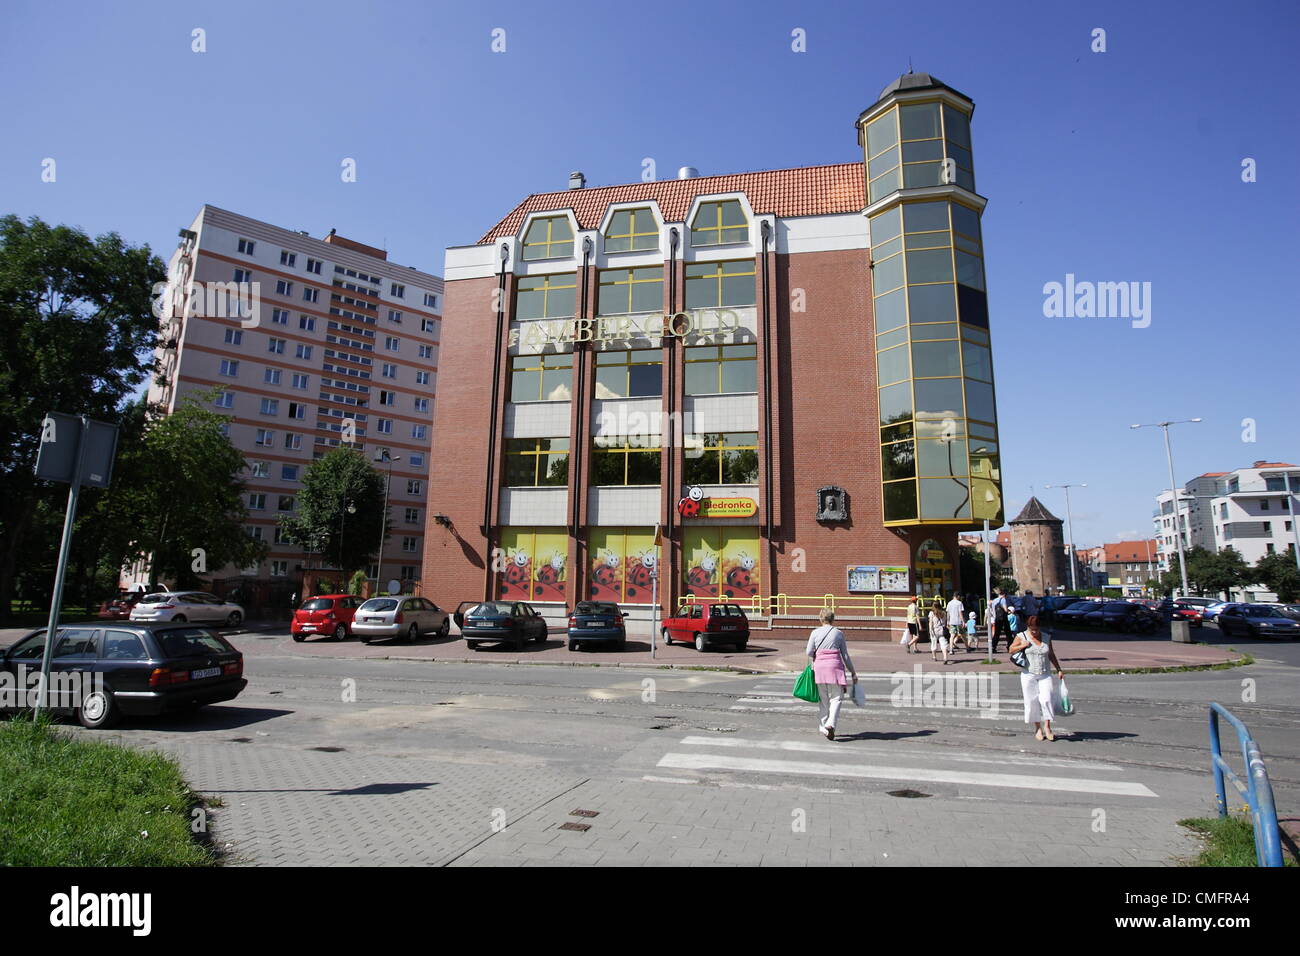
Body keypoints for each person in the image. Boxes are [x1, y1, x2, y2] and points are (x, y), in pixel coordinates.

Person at [805, 609, 857, 740]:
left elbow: (809, 652)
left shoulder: (815, 632)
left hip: (820, 668)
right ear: (833, 619)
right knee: (836, 698)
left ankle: (823, 726)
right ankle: (830, 725)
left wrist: (819, 653)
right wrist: (853, 672)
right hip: (835, 669)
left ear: (820, 619)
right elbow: (845, 655)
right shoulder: (838, 633)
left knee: (823, 700)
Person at [1009, 620, 1064, 741]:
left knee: (1047, 699)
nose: (1034, 632)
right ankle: (1038, 728)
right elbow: (1011, 650)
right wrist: (1022, 645)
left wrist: (1059, 669)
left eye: (1036, 629)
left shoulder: (1046, 637)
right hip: (1028, 674)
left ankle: (1048, 727)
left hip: (1045, 674)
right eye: (1031, 629)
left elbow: (1051, 654)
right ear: (1028, 627)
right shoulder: (1021, 636)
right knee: (1031, 701)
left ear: (1039, 627)